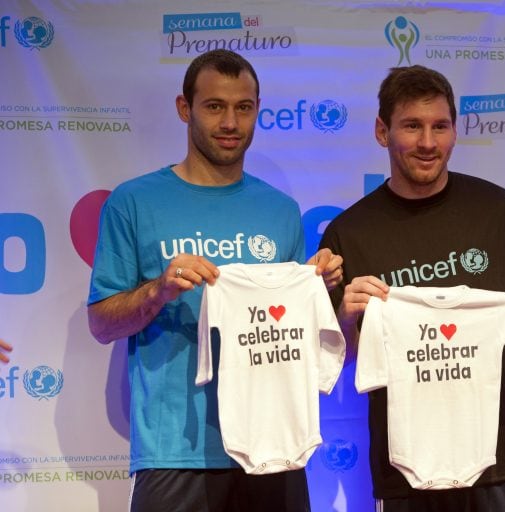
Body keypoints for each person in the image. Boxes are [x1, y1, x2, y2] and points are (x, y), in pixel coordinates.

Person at [87, 49, 342, 512]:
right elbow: (102, 325)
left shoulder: (280, 210)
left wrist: (315, 290)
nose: (230, 122)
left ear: (257, 112)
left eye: (243, 108)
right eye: (214, 106)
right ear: (185, 108)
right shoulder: (133, 202)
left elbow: (288, 333)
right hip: (174, 453)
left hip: (272, 446)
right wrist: (156, 291)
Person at [320, 65, 505, 511]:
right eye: (412, 126)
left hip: (502, 463)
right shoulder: (348, 233)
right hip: (408, 471)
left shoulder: (500, 211)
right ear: (382, 131)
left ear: (456, 130)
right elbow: (344, 357)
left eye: (440, 126)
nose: (428, 143)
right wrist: (346, 316)